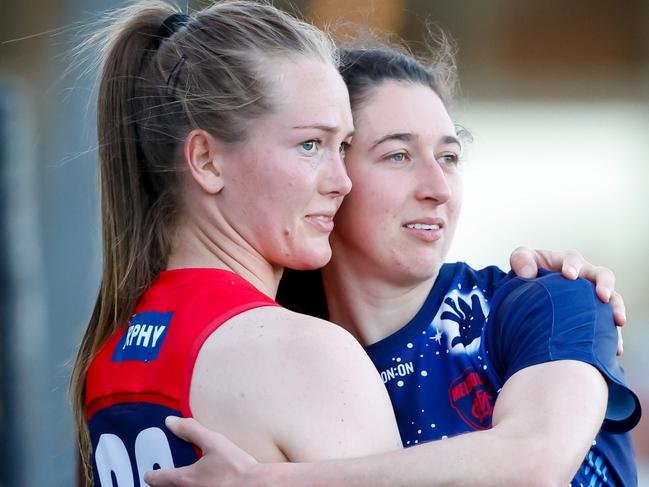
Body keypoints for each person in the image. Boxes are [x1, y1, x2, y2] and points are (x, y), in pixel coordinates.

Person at [144, 44, 640, 486]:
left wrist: (272, 481)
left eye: (448, 157)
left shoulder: (552, 299)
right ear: (332, 175)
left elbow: (534, 464)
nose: (437, 188)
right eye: (398, 155)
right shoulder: (280, 350)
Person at [70, 2, 413, 485]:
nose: (342, 181)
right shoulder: (306, 355)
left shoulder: (109, 357)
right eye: (311, 145)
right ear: (207, 161)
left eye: (343, 146)